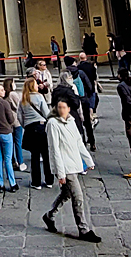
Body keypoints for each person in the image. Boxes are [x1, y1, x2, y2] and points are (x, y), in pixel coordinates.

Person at [41, 99, 101, 243]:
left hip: (73, 164)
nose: (62, 110)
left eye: (64, 107)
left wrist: (88, 160)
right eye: (59, 107)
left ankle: (49, 216)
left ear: (69, 109)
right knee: (78, 197)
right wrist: (60, 173)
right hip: (64, 166)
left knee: (67, 194)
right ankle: (83, 229)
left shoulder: (72, 121)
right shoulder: (52, 124)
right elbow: (54, 149)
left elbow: (78, 142)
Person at [18, 78, 53, 189]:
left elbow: (19, 116)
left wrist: (25, 125)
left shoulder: (23, 99)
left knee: (34, 156)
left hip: (30, 128)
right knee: (46, 155)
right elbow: (46, 113)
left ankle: (36, 182)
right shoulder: (39, 97)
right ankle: (49, 180)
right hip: (41, 127)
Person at [4, 77, 26, 173]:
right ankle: (20, 162)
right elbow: (19, 105)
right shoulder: (13, 94)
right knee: (18, 142)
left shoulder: (5, 94)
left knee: (10, 143)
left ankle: (13, 161)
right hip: (16, 120)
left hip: (8, 121)